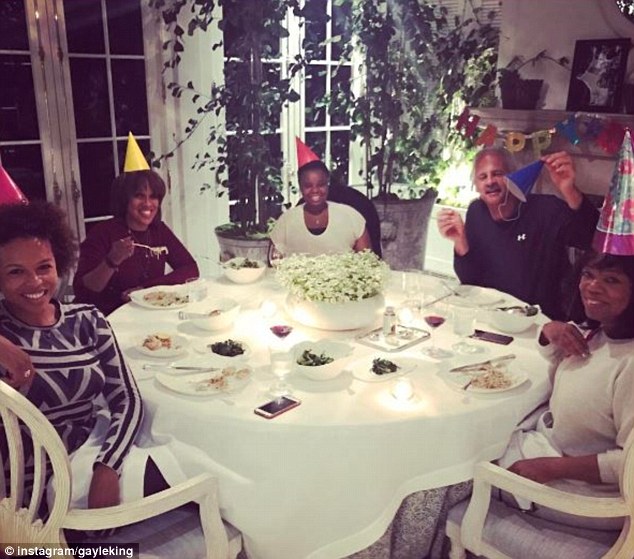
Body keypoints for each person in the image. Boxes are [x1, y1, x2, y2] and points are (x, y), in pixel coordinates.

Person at [0, 201, 183, 513]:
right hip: (37, 488)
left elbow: (126, 398)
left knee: (202, 469)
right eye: (16, 272)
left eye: (44, 267)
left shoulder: (87, 319)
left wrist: (108, 468)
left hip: (95, 456)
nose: (34, 282)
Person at [437, 148, 599, 319]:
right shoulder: (476, 212)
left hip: (542, 323)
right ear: (476, 185)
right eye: (482, 177)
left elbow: (593, 239)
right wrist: (460, 241)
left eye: (498, 173)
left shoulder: (546, 209)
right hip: (493, 319)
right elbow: (471, 282)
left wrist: (569, 189)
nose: (490, 181)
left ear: (513, 176)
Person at [73, 170, 199, 315]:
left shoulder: (159, 230)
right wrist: (111, 261)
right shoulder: (102, 232)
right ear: (125, 199)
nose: (147, 204)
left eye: (153, 197)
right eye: (139, 196)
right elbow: (83, 291)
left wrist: (146, 288)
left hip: (147, 314)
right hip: (106, 318)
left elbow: (190, 269)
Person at [270, 158, 372, 257]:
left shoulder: (352, 217)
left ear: (328, 185)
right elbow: (273, 261)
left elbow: (366, 263)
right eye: (308, 186)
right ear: (300, 187)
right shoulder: (286, 222)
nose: (315, 190)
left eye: (321, 185)